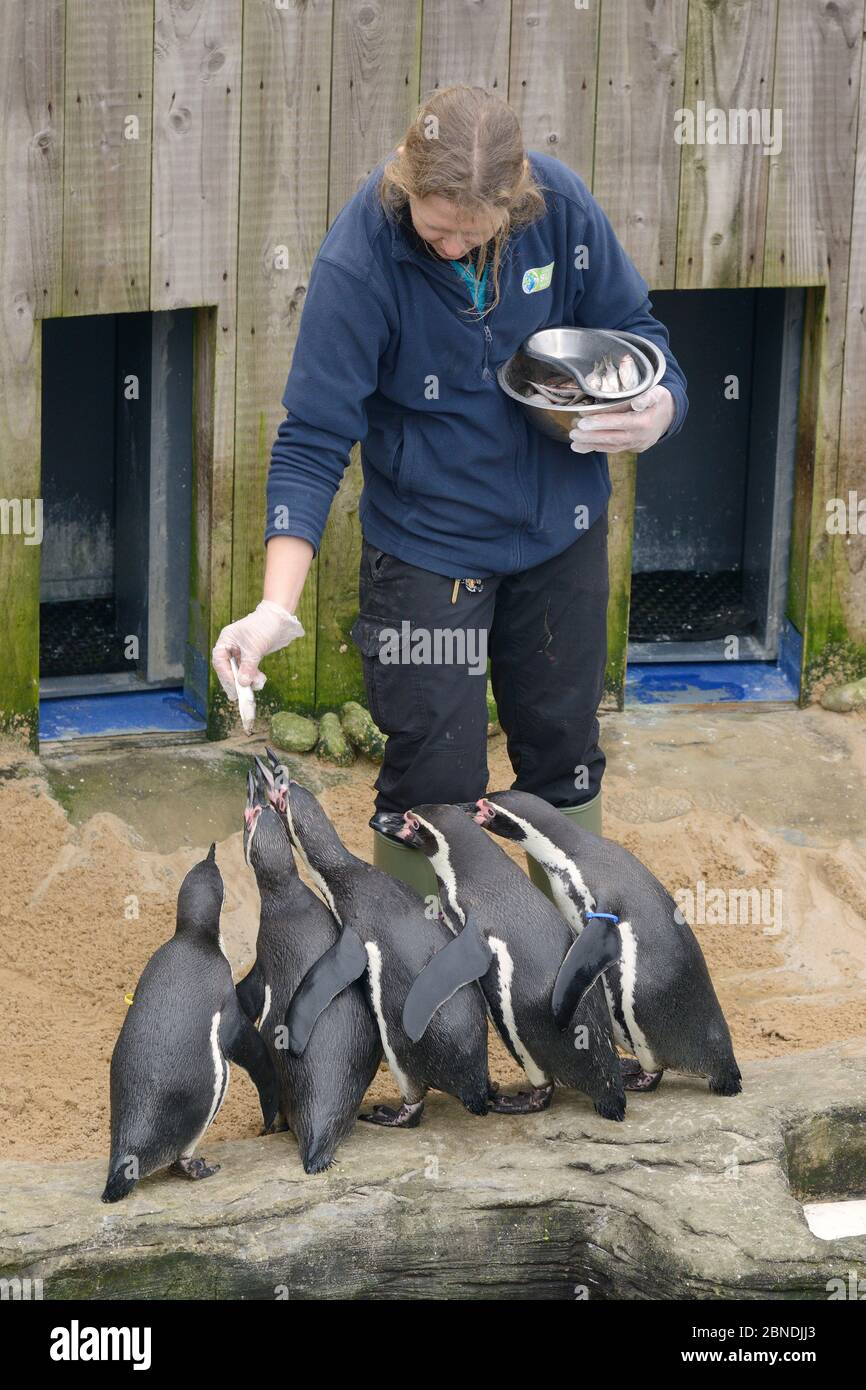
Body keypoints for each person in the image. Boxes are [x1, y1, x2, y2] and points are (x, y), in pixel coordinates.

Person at [213, 85, 687, 847]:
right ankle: (427, 961)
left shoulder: (560, 207)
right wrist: (274, 609)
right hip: (429, 554)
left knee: (565, 758)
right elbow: (313, 438)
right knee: (434, 777)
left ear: (518, 198)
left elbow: (638, 333)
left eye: (474, 234)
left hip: (561, 537)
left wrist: (662, 406)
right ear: (407, 180)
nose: (452, 247)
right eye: (438, 230)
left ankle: (566, 949)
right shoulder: (360, 256)